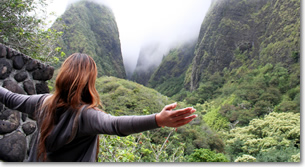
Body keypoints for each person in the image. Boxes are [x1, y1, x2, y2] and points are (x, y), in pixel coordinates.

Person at [0, 53, 197, 162]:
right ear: (90, 82)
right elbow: (116, 125)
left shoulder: (43, 103)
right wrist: (157, 120)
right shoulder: (85, 116)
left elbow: (10, 98)